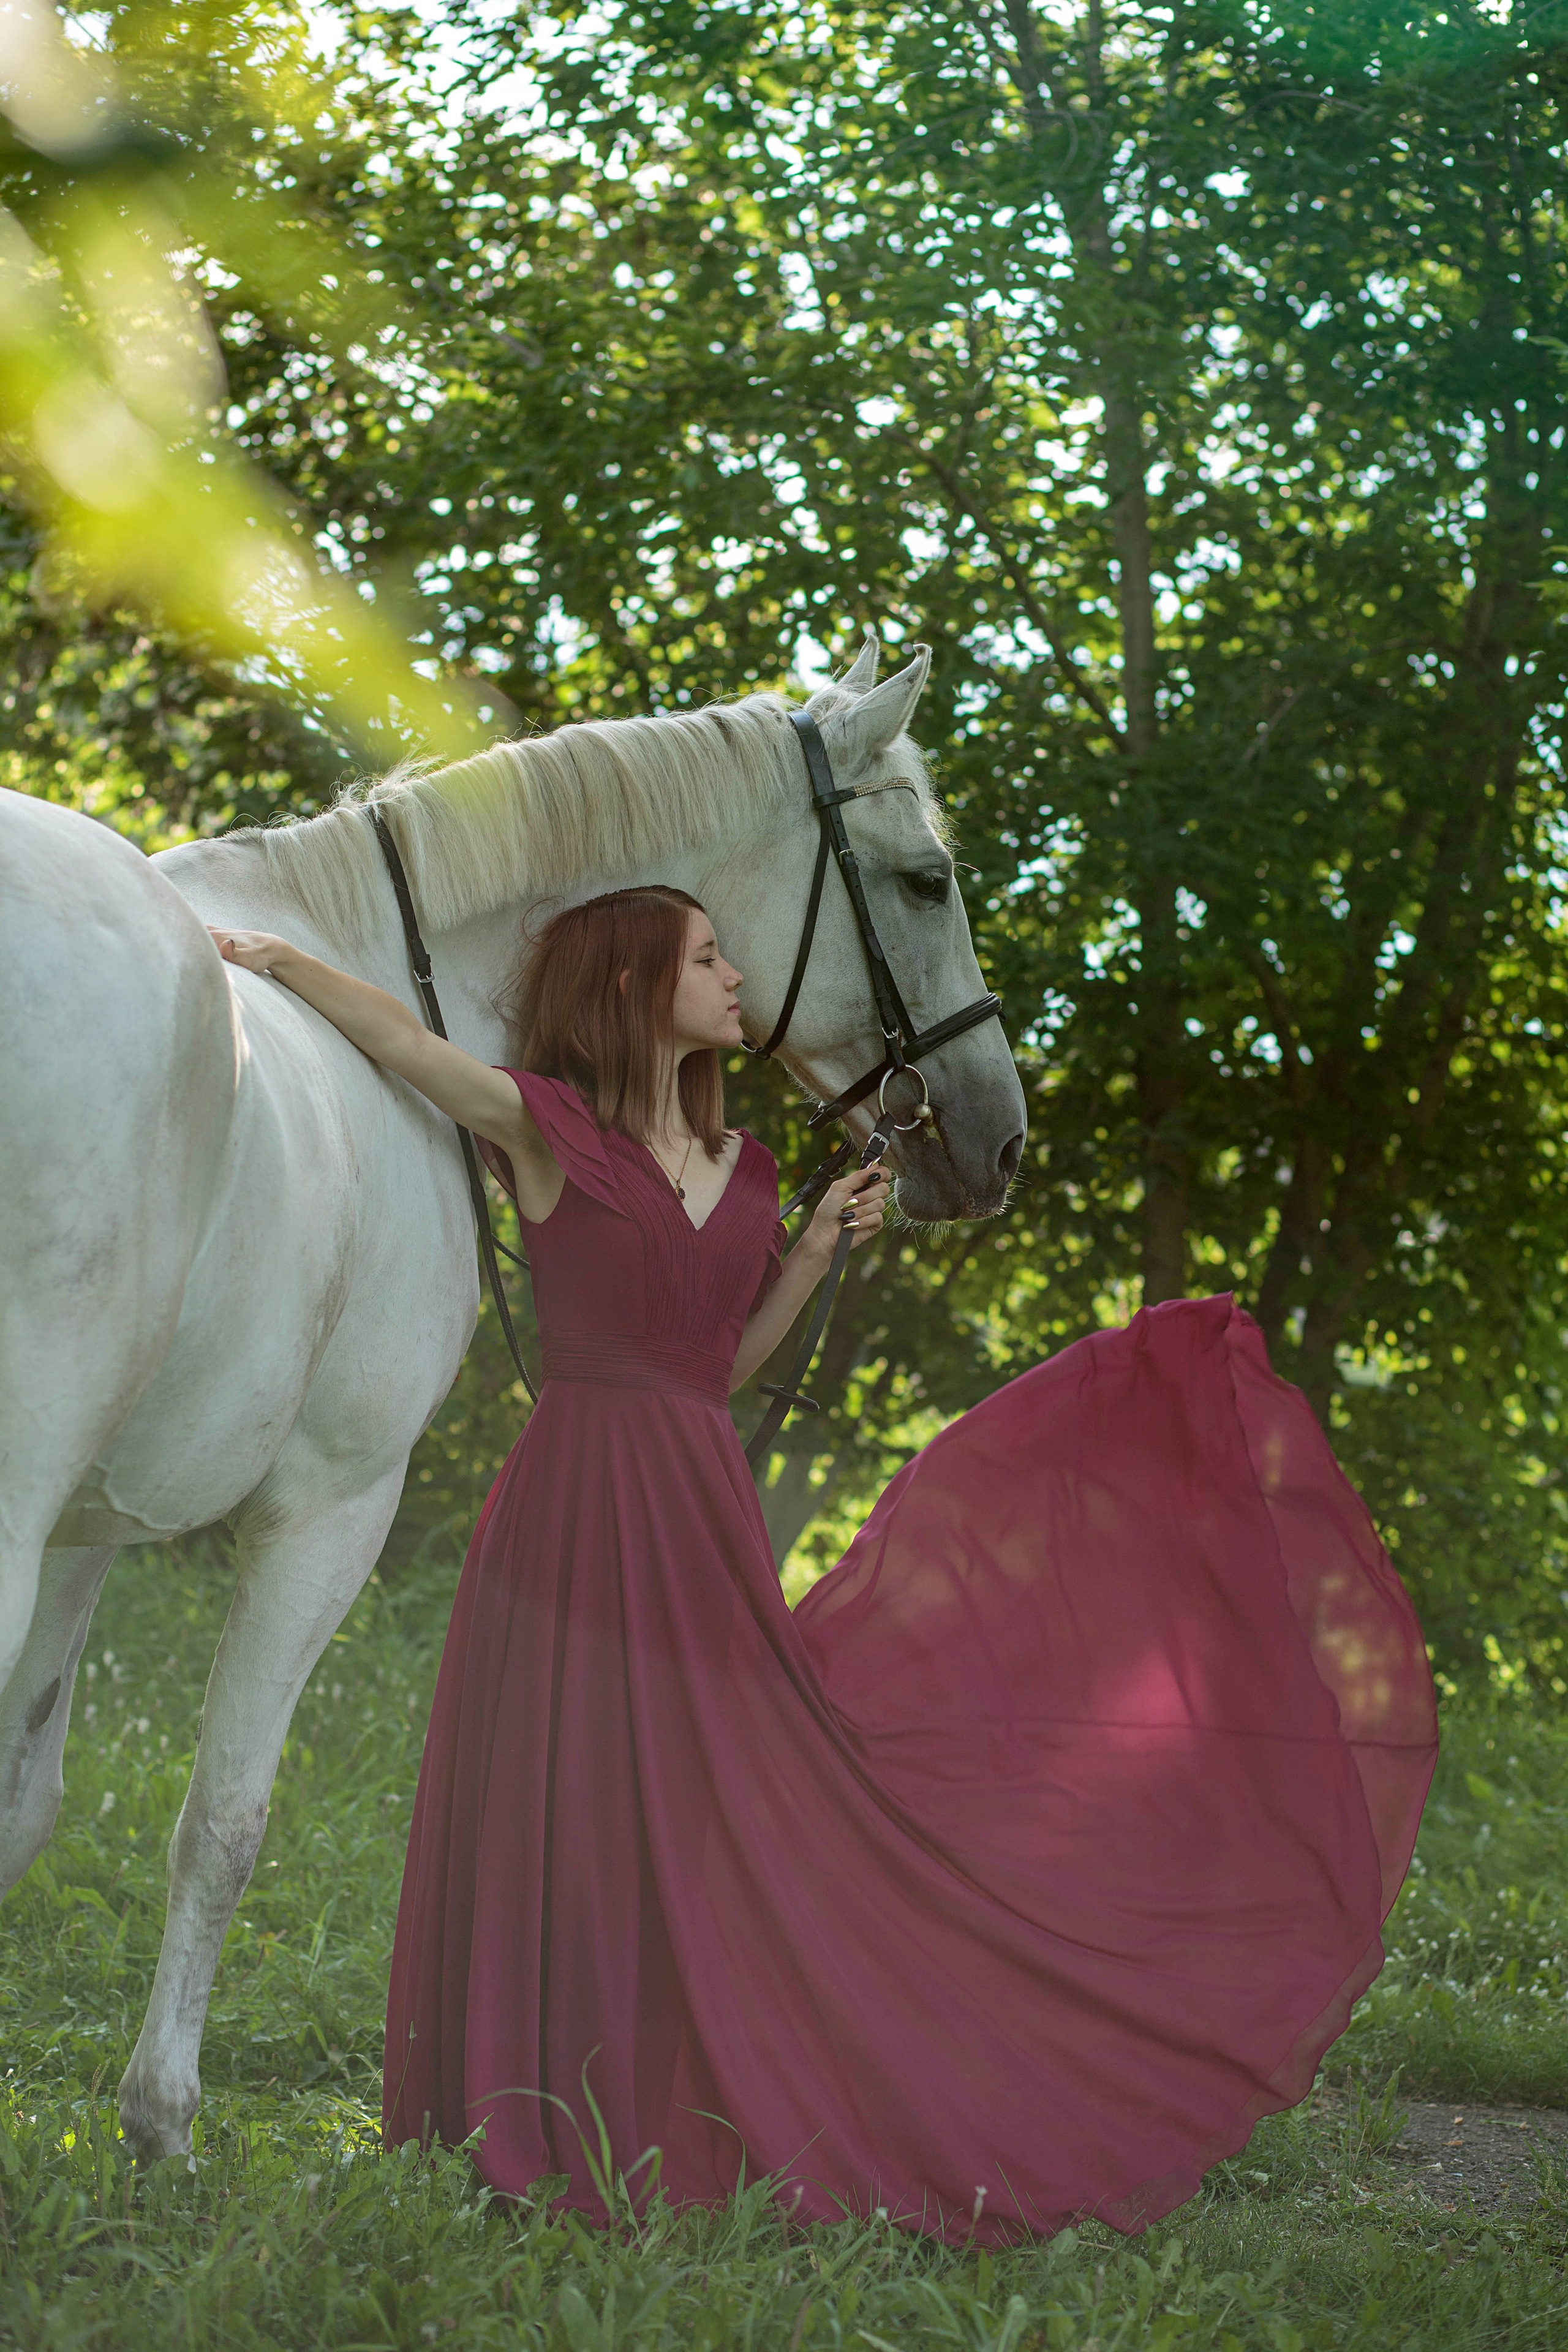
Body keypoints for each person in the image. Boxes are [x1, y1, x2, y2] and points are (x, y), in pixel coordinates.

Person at [211, 885, 1438, 2245]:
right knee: (559, 1792)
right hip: (567, 1509)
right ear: (628, 988)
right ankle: (532, 2108)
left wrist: (803, 1253)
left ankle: (682, 2088)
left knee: (712, 1796)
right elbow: (407, 1044)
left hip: (694, 1507)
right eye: (706, 959)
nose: (736, 982)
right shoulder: (551, 1130)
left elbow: (713, 1373)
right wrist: (276, 959)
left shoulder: (746, 1176)